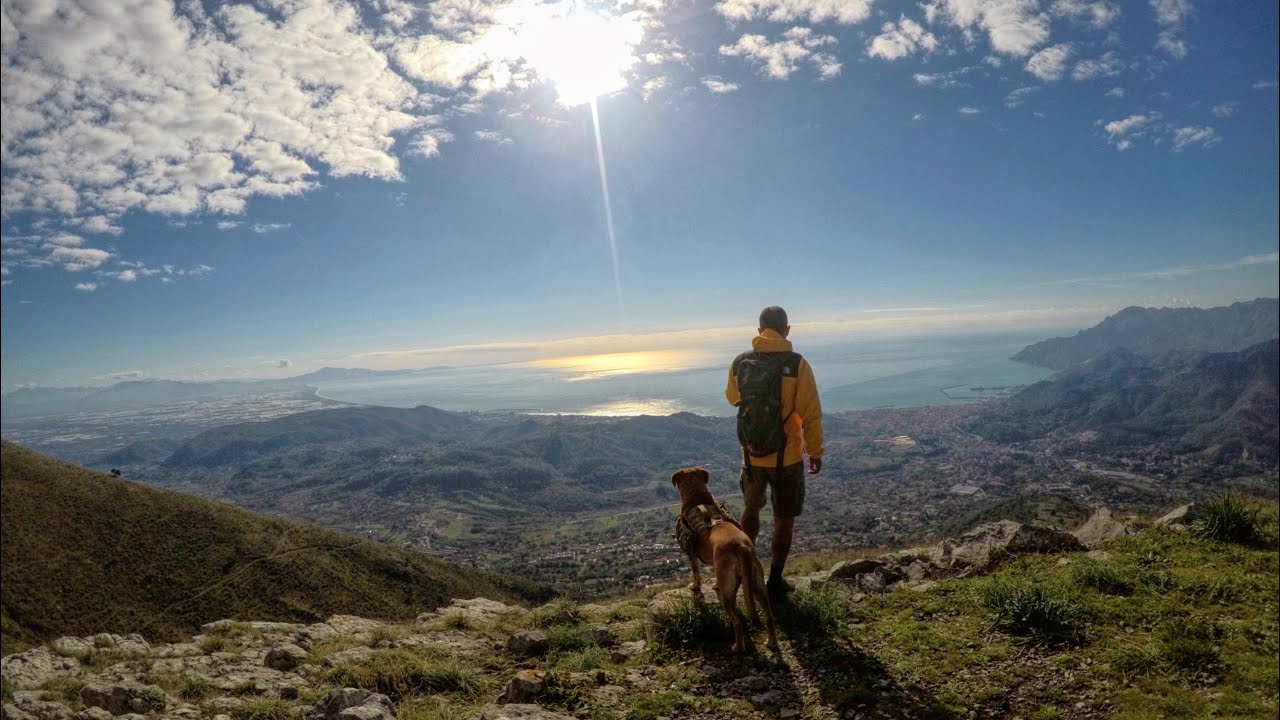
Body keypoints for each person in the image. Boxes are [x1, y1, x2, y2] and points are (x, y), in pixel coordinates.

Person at [725, 306, 823, 599]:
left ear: (759, 331)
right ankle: (775, 580)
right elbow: (811, 413)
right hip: (788, 457)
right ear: (787, 330)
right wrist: (814, 451)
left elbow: (733, 398)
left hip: (751, 455)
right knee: (784, 518)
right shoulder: (796, 364)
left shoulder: (740, 362)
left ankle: (746, 572)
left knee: (750, 510)